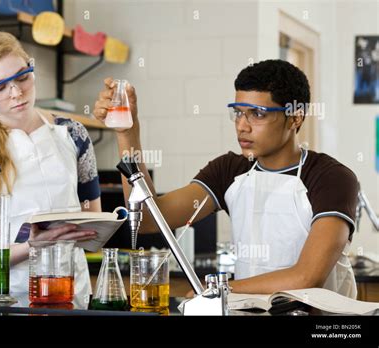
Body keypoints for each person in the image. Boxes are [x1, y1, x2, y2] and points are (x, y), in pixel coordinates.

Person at [93, 59, 359, 299]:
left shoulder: (331, 178)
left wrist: (218, 289)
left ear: (295, 117)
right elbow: (151, 219)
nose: (242, 125)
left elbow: (306, 277)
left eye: (257, 114)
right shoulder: (230, 169)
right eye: (238, 112)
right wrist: (127, 133)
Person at [0, 32, 101, 297]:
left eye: (22, 77)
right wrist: (33, 245)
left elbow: (94, 230)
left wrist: (95, 230)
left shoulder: (73, 134)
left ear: (32, 68)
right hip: (3, 302)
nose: (16, 93)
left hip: (72, 297)